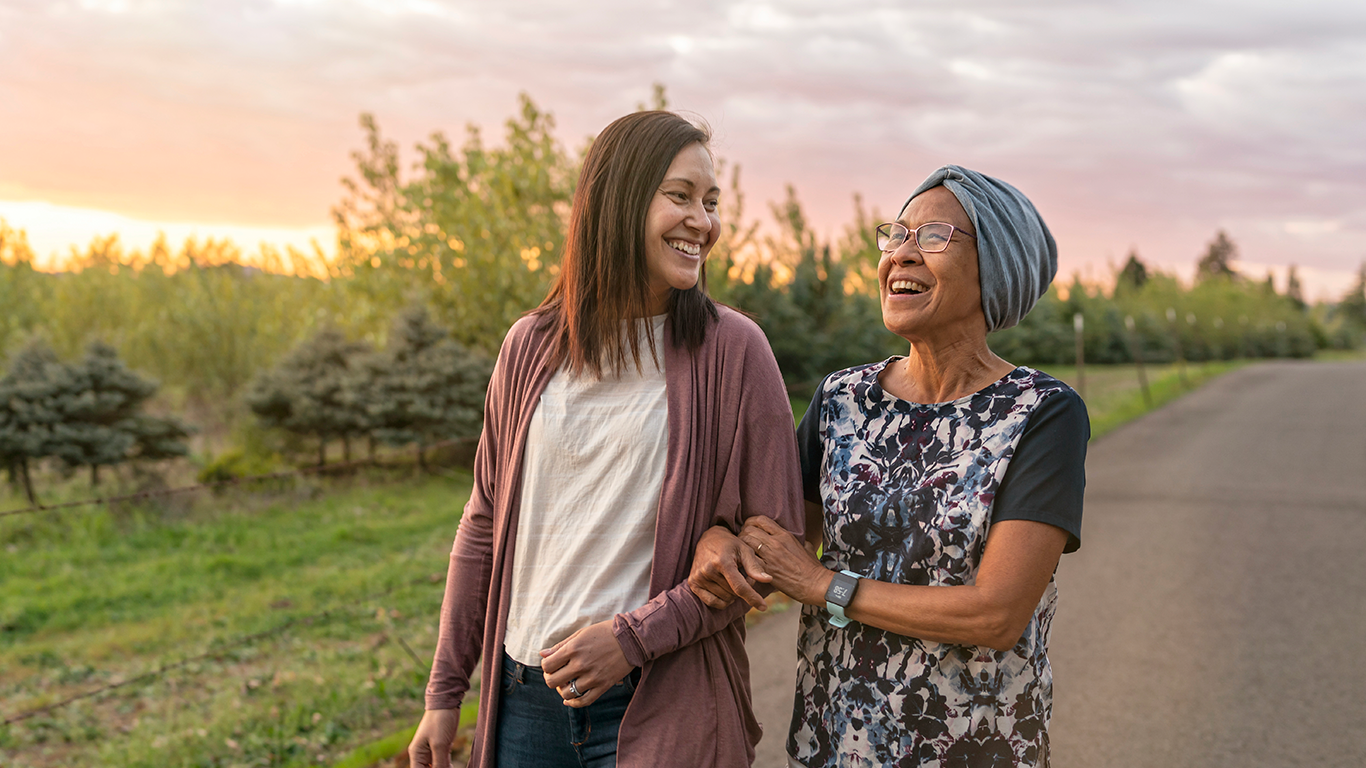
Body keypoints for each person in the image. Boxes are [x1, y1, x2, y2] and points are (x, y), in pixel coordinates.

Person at [407, 110, 804, 768]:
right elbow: (483, 521)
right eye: (680, 196)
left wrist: (633, 638)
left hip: (658, 699)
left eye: (710, 203)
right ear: (618, 199)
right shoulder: (529, 346)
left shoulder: (734, 351)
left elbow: (774, 548)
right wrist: (445, 691)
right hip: (523, 703)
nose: (703, 222)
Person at [689, 165, 1087, 767]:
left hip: (974, 749)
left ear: (997, 269)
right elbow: (773, 544)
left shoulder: (1043, 414)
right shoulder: (842, 400)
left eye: (932, 238)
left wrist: (826, 586)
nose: (901, 254)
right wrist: (721, 539)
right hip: (834, 743)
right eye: (896, 235)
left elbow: (997, 613)